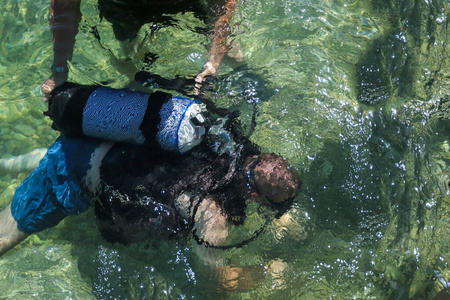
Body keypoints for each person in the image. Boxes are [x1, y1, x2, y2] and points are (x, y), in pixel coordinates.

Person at [0, 82, 301, 290]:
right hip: (79, 171)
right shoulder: (213, 215)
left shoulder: (228, 135)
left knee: (51, 161)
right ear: (252, 193)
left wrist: (281, 212)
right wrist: (269, 272)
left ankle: (8, 163)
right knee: (8, 232)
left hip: (100, 129)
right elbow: (218, 281)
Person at [41, 0, 238, 100]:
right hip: (124, 6)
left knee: (230, 54)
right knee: (129, 57)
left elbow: (223, 4)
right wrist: (59, 69)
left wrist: (214, 57)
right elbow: (64, 9)